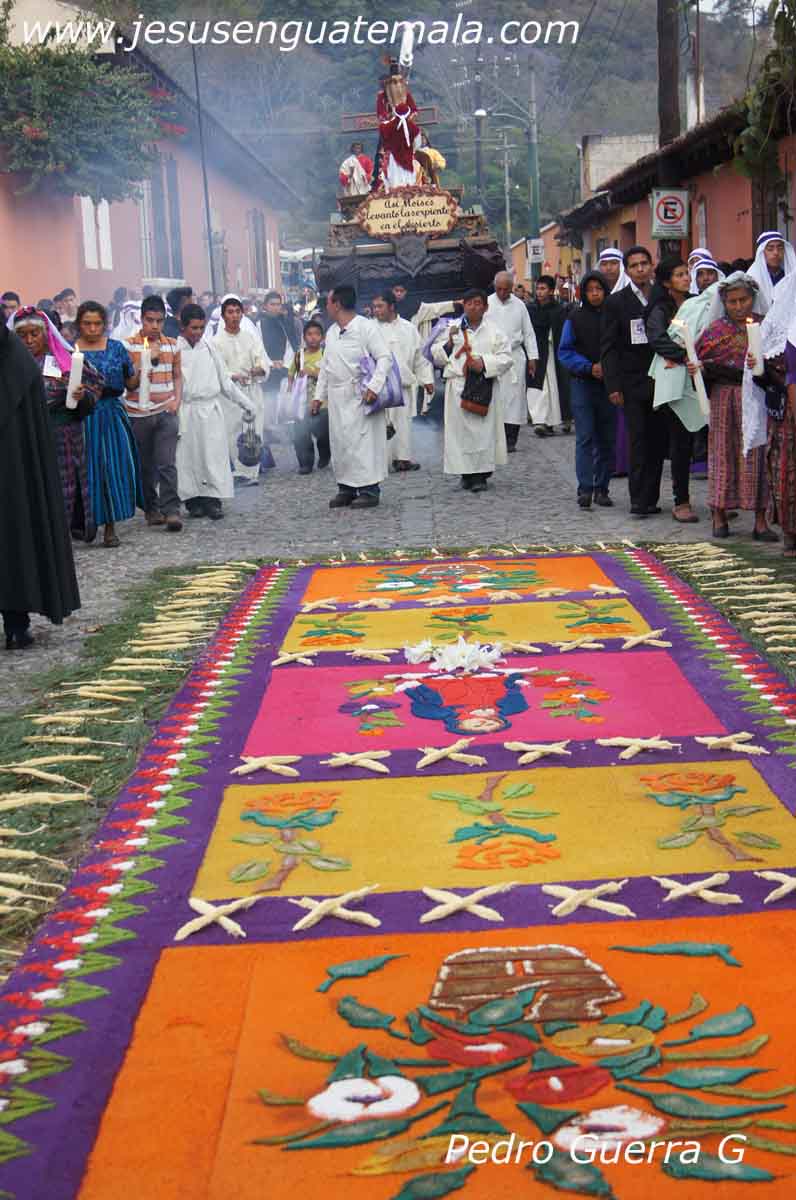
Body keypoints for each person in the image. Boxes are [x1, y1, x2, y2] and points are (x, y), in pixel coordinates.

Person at [1, 317, 81, 650]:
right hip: (13, 473)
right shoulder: (19, 360)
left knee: (14, 543)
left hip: (13, 473)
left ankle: (16, 624)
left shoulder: (17, 362)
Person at [10, 306, 102, 542]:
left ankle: (61, 537)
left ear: (46, 334)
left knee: (62, 489)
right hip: (25, 438)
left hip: (63, 437)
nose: (29, 341)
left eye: (35, 334)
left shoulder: (64, 360)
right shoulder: (10, 365)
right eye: (22, 335)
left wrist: (82, 396)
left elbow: (95, 388)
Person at [695, 273, 776, 541]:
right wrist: (699, 368)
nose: (739, 306)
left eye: (744, 300)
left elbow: (778, 361)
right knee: (722, 452)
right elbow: (699, 360)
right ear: (724, 303)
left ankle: (760, 520)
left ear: (753, 298)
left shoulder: (765, 326)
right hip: (724, 397)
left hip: (755, 398)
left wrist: (762, 366)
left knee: (757, 453)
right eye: (732, 302)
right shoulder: (715, 331)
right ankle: (719, 513)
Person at [72, 301, 143, 548]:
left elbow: (130, 383)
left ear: (104, 324)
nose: (92, 328)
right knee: (87, 469)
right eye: (87, 323)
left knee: (112, 467)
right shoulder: (70, 350)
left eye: (97, 323)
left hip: (112, 414)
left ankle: (110, 526)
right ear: (79, 324)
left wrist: (141, 369)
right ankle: (88, 520)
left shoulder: (116, 348)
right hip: (83, 417)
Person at [316, 285, 393, 509]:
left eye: (329, 302)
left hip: (361, 395)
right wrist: (318, 396)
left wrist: (374, 387)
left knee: (363, 443)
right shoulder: (331, 332)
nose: (327, 306)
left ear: (337, 304)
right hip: (337, 398)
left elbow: (385, 358)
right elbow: (325, 367)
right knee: (341, 443)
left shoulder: (366, 327)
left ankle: (369, 489)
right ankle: (346, 488)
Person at [176, 303, 253, 520]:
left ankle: (213, 500)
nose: (198, 333)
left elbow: (225, 382)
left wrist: (246, 403)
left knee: (212, 456)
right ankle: (193, 501)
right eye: (194, 328)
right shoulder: (174, 350)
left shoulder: (209, 348)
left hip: (210, 410)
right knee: (188, 457)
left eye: (201, 328)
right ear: (183, 327)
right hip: (186, 410)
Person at [431, 287, 513, 493]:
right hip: (458, 386)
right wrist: (449, 343)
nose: (473, 307)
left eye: (478, 303)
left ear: (485, 307)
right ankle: (465, 474)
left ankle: (480, 475)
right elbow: (435, 355)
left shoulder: (494, 331)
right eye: (469, 303)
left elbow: (506, 358)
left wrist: (484, 363)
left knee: (482, 432)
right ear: (464, 306)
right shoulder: (452, 328)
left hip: (483, 386)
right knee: (459, 433)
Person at [645, 257, 700, 523]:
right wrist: (684, 355)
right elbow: (657, 338)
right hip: (673, 378)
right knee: (680, 441)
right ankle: (681, 501)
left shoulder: (695, 304)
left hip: (699, 375)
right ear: (667, 282)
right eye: (679, 275)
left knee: (702, 439)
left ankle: (721, 500)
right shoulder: (660, 308)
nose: (686, 278)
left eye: (686, 273)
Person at [123, 295, 183, 531]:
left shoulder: (173, 344)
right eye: (150, 321)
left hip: (166, 409)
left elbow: (177, 375)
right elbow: (129, 382)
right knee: (146, 465)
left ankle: (172, 510)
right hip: (138, 412)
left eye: (159, 321)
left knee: (167, 462)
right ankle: (151, 507)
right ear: (141, 319)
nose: (155, 326)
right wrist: (146, 359)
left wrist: (177, 400)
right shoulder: (129, 345)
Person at [557, 272, 616, 509]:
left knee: (606, 438)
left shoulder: (614, 317)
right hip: (583, 383)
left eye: (599, 289)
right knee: (585, 437)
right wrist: (588, 367)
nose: (595, 294)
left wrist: (610, 368)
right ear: (583, 292)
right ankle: (585, 488)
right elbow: (565, 351)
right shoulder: (575, 317)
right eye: (590, 290)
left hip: (610, 385)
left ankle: (602, 488)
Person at [372, 289, 434, 471]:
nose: (376, 310)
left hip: (403, 385)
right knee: (380, 424)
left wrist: (426, 379)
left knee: (403, 423)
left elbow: (419, 357)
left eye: (380, 306)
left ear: (391, 306)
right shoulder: (369, 329)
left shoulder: (408, 328)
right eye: (374, 307)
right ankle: (379, 462)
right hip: (380, 387)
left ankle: (402, 459)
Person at [214, 294, 271, 485]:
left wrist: (259, 368)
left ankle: (251, 473)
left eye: (238, 312)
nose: (234, 316)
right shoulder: (216, 342)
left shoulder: (250, 337)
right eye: (230, 312)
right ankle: (240, 471)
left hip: (252, 390)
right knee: (234, 433)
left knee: (254, 432)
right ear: (223, 316)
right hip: (231, 395)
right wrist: (233, 376)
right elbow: (218, 370)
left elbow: (262, 359)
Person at [487, 272, 538, 453]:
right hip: (493, 357)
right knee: (495, 397)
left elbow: (528, 333)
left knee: (515, 399)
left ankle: (511, 439)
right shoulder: (486, 303)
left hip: (514, 357)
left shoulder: (520, 305)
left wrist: (532, 357)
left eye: (506, 290)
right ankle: (494, 438)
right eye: (499, 289)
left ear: (512, 288)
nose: (502, 293)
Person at [527, 275, 572, 436]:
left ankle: (557, 419)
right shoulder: (531, 309)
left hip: (553, 353)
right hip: (536, 353)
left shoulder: (559, 310)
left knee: (554, 387)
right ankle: (540, 421)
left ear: (551, 291)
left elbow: (562, 332)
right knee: (539, 388)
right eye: (538, 288)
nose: (539, 292)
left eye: (543, 288)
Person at [289, 319, 329, 474]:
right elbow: (291, 374)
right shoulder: (299, 356)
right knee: (301, 434)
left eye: (317, 334)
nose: (313, 337)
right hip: (302, 403)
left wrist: (311, 372)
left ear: (322, 337)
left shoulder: (325, 354)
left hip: (323, 403)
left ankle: (325, 453)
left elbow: (330, 374)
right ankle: (305, 463)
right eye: (309, 334)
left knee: (323, 433)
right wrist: (290, 389)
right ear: (304, 337)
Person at [376, 59, 421, 190]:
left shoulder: (406, 94)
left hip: (406, 131)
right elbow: (381, 114)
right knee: (384, 159)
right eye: (393, 82)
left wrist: (406, 119)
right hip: (392, 131)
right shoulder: (382, 96)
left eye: (398, 82)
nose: (396, 85)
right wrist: (391, 119)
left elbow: (414, 110)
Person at [257, 290, 299, 428]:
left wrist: (284, 362)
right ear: (265, 306)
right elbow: (258, 346)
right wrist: (270, 363)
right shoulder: (259, 324)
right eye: (272, 304)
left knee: (284, 403)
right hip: (267, 370)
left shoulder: (285, 322)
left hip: (284, 368)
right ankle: (269, 429)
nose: (275, 307)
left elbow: (291, 344)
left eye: (278, 304)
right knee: (269, 402)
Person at [748, 231, 796, 311]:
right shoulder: (752, 277)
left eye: (780, 248)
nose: (776, 253)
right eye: (770, 249)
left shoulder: (791, 275)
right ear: (762, 253)